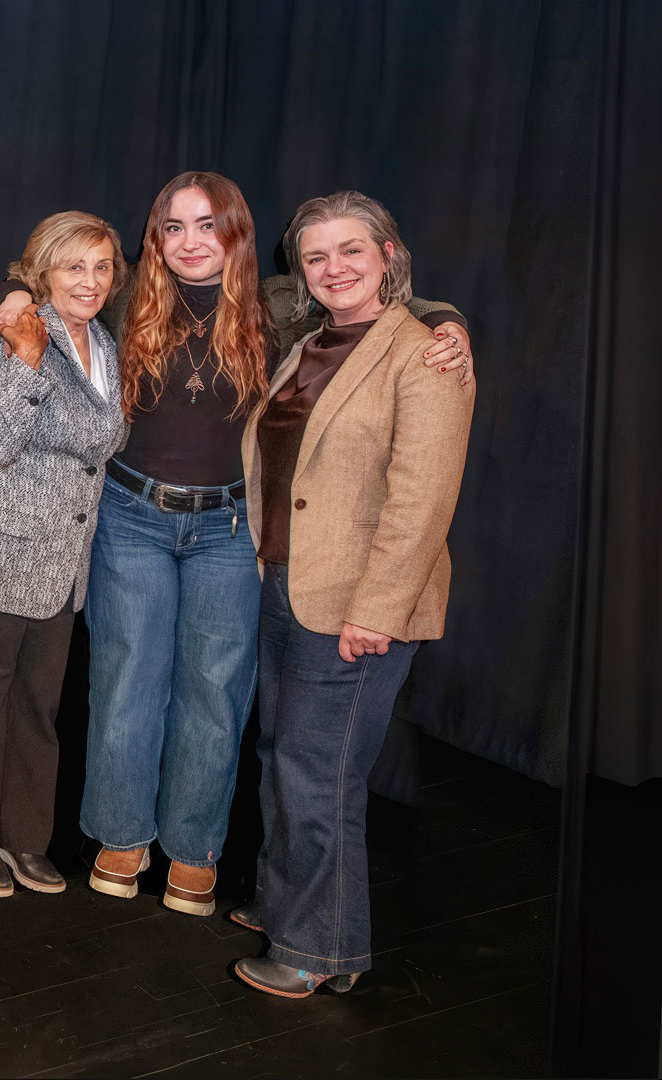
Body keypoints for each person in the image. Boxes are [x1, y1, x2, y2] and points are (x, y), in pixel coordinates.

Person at [0, 175, 473, 915]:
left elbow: (379, 302)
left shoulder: (283, 301)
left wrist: (448, 319)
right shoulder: (122, 294)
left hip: (231, 528)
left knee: (214, 694)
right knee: (125, 683)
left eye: (207, 225)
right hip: (133, 515)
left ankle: (193, 848)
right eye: (173, 227)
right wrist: (16, 300)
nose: (190, 242)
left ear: (238, 233)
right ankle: (120, 834)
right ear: (154, 238)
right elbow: (44, 286)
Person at [231, 191, 475, 997]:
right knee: (282, 759)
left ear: (389, 258)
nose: (334, 268)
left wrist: (379, 609)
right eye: (315, 256)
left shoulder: (426, 354)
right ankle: (286, 903)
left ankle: (315, 953)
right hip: (285, 586)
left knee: (318, 772)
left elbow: (423, 497)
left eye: (351, 252)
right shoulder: (309, 343)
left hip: (358, 604)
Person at [0, 211, 129, 899]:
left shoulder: (104, 342)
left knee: (38, 709)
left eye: (102, 267)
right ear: (40, 270)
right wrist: (31, 359)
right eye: (75, 266)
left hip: (61, 558)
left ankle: (25, 840)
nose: (91, 281)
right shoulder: (9, 332)